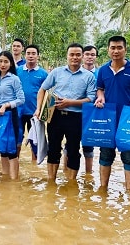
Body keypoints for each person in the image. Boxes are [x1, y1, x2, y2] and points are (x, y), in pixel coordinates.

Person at [34, 43, 96, 181]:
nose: (75, 57)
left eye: (78, 55)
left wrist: (70, 102)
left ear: (82, 57)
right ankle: (51, 181)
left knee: (74, 150)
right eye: (72, 54)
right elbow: (42, 89)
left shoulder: (89, 76)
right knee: (53, 149)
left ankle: (72, 183)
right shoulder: (57, 72)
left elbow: (91, 99)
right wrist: (39, 109)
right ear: (67, 56)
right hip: (55, 116)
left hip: (76, 117)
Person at [95, 35, 130, 191]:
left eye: (119, 47)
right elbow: (100, 89)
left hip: (127, 119)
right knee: (105, 155)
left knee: (129, 156)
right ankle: (103, 189)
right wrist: (100, 98)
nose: (116, 51)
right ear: (108, 50)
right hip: (108, 119)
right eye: (113, 48)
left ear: (125, 49)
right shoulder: (103, 70)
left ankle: (129, 191)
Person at [0, 51, 25, 179]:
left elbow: (21, 99)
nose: (2, 64)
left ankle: (14, 181)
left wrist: (6, 105)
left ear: (11, 63)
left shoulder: (14, 79)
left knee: (11, 149)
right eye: (0, 61)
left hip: (9, 114)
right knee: (2, 148)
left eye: (6, 61)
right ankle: (5, 178)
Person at [17, 44, 48, 161]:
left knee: (35, 142)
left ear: (38, 56)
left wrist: (42, 111)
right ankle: (16, 164)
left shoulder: (44, 74)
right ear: (25, 55)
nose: (30, 56)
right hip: (19, 111)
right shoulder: (17, 71)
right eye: (28, 53)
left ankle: (34, 168)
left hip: (35, 113)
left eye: (33, 54)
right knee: (17, 139)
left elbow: (47, 95)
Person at [80, 45, 99, 174]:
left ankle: (88, 174)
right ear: (82, 56)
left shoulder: (101, 73)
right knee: (70, 145)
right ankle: (67, 173)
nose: (89, 57)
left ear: (95, 57)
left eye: (92, 54)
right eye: (87, 54)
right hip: (74, 113)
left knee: (89, 145)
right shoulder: (75, 72)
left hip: (93, 114)